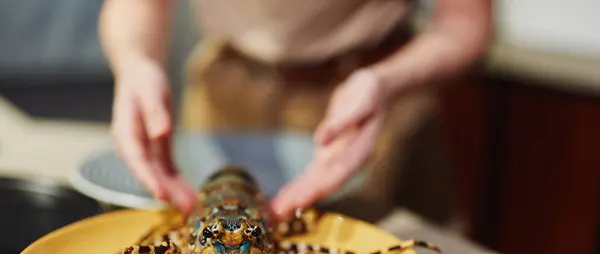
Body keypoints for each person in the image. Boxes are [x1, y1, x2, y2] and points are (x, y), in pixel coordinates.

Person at [98, 0, 492, 221]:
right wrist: (135, 62)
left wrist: (383, 82)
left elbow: (465, 23)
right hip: (225, 84)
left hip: (376, 89)